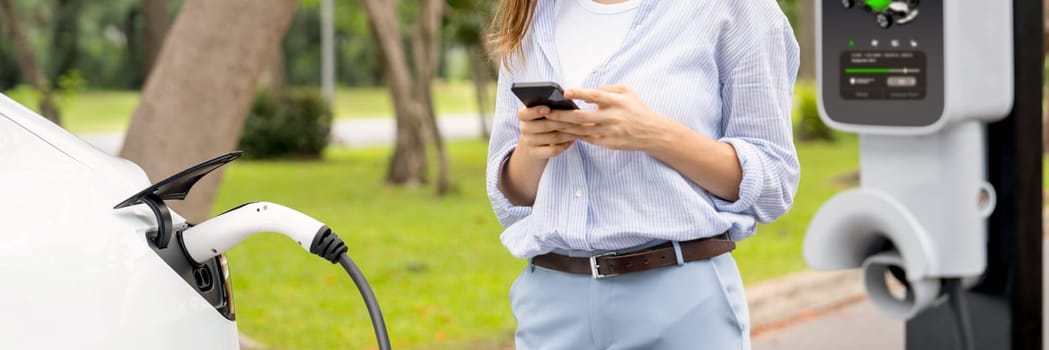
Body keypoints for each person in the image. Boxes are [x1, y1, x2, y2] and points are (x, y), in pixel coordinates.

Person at [484, 0, 800, 348]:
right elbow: (510, 201)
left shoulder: (737, 8)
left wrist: (655, 135)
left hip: (679, 303)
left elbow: (774, 181)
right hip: (550, 302)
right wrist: (533, 149)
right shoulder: (532, 12)